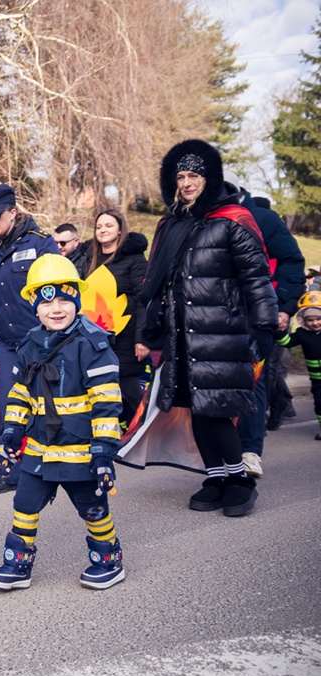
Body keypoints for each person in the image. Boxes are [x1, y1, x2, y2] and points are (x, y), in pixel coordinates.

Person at [135, 139, 276, 517]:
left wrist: (265, 328)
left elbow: (256, 279)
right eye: (180, 176)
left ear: (209, 177)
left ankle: (240, 480)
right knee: (195, 409)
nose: (186, 183)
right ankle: (215, 477)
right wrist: (149, 332)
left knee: (215, 410)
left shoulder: (233, 219)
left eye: (194, 175)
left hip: (224, 332)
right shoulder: (172, 224)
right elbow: (158, 283)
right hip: (183, 336)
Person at [0, 254, 125, 591]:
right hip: (40, 448)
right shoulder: (31, 343)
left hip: (80, 450)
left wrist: (104, 452)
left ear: (77, 300)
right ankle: (17, 565)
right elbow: (20, 394)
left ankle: (109, 559)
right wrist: (11, 433)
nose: (56, 309)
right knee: (24, 503)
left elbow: (107, 403)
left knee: (93, 508)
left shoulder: (93, 344)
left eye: (65, 299)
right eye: (47, 302)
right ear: (34, 305)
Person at [0, 183, 59, 494]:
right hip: (8, 346)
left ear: (13, 211)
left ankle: (53, 464)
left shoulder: (41, 245)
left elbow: (60, 294)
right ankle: (8, 471)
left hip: (41, 342)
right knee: (10, 407)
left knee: (46, 405)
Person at [231, 189, 306, 474]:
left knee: (255, 377)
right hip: (218, 318)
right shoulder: (204, 220)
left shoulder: (263, 219)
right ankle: (223, 453)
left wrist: (284, 307)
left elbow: (291, 262)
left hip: (259, 316)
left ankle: (250, 451)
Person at [85, 208, 148, 425]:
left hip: (126, 337)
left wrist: (142, 339)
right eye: (99, 226)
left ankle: (138, 433)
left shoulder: (134, 260)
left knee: (129, 389)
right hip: (95, 338)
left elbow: (144, 302)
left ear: (120, 231)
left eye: (108, 225)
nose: (102, 230)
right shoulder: (89, 259)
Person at [276, 289, 321, 441]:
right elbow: (286, 342)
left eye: (318, 318)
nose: (315, 323)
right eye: (310, 320)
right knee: (320, 404)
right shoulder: (302, 334)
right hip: (317, 380)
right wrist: (280, 331)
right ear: (303, 320)